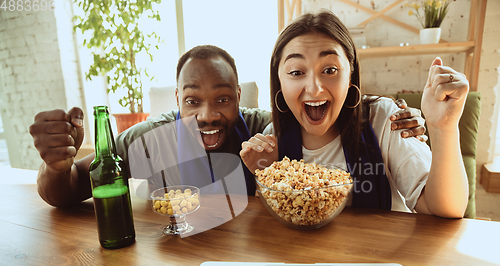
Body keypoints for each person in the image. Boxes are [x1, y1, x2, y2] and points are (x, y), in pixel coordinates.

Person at [29, 45, 426, 207]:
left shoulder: (266, 130)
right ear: (176, 102)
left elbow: (323, 124)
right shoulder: (151, 140)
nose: (206, 114)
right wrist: (56, 165)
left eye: (222, 99)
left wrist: (388, 116)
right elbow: (68, 191)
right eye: (192, 101)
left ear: (240, 97)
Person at [240, 10, 469, 218]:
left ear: (350, 74)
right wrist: (270, 173)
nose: (314, 87)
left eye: (330, 70)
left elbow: (445, 208)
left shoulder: (383, 119)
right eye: (296, 72)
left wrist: (444, 127)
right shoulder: (273, 140)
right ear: (279, 81)